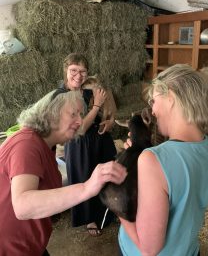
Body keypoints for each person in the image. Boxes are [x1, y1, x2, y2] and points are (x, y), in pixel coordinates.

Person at [0, 90, 127, 255]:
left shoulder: (45, 146)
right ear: (51, 114)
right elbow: (22, 206)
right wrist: (87, 187)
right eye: (73, 113)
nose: (80, 120)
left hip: (28, 247)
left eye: (81, 114)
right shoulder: (27, 144)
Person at [119, 64, 208, 256]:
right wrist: (143, 160)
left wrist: (118, 208)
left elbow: (149, 249)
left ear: (171, 97)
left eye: (154, 101)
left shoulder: (152, 160)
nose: (153, 110)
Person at [56, 53, 117, 236]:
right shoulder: (62, 95)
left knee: (105, 177)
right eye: (73, 70)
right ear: (66, 70)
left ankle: (107, 211)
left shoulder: (88, 89)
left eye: (83, 71)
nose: (78, 75)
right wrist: (97, 105)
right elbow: (80, 129)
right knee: (84, 179)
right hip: (78, 145)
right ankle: (89, 217)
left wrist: (109, 122)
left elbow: (105, 114)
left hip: (99, 139)